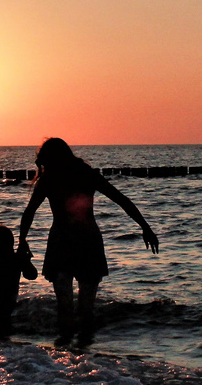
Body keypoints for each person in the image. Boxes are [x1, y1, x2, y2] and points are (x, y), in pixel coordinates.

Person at [18, 138, 159, 348]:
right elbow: (121, 200)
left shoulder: (49, 180)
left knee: (66, 306)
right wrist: (144, 227)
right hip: (86, 241)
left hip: (63, 243)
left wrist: (22, 241)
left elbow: (29, 212)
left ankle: (66, 355)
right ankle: (84, 358)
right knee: (86, 308)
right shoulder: (84, 174)